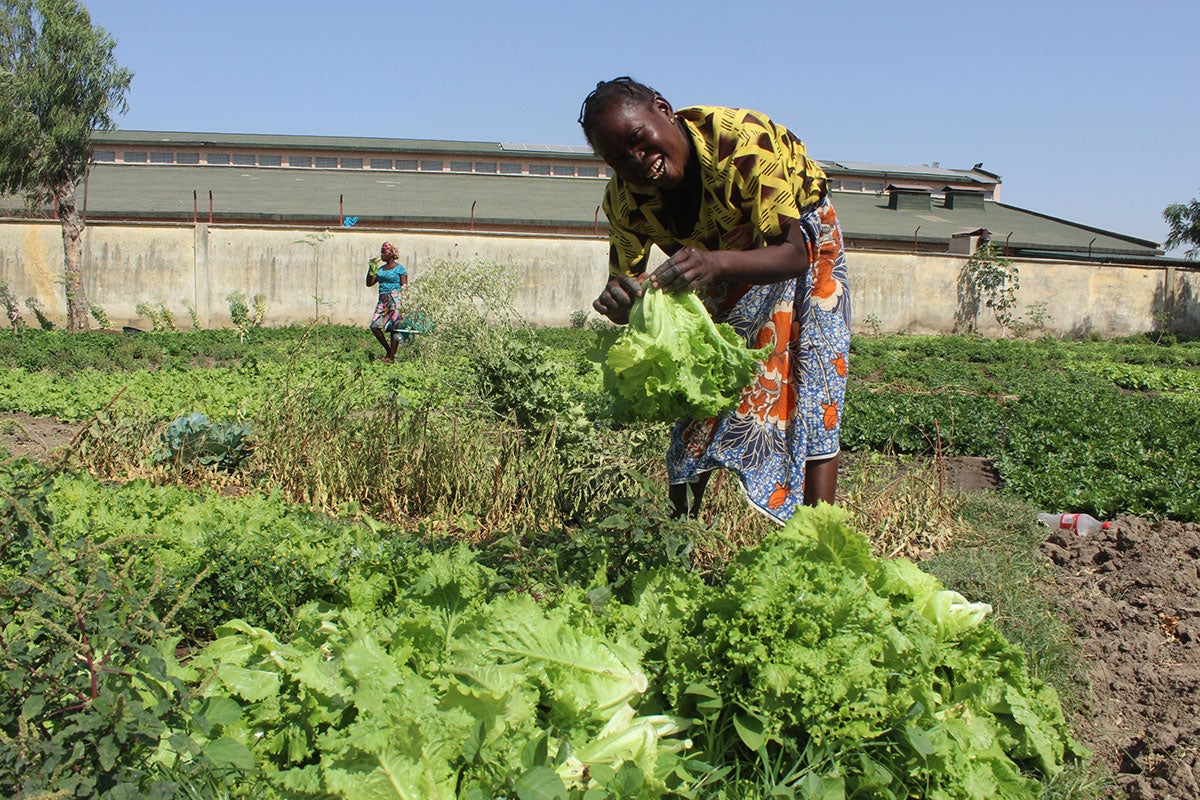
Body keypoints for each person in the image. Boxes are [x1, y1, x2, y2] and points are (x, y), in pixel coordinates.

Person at [580, 77, 851, 523]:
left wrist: (717, 265)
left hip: (798, 245)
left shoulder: (740, 139)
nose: (637, 161)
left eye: (638, 140)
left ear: (663, 110)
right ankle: (675, 538)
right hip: (716, 262)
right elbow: (627, 285)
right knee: (706, 388)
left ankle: (819, 541)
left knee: (814, 378)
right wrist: (621, 303)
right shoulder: (626, 201)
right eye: (618, 159)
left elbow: (794, 254)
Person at [366, 241, 408, 362]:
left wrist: (404, 302)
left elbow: (404, 286)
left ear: (391, 254)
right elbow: (369, 283)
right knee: (374, 326)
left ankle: (391, 357)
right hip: (383, 300)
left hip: (395, 299)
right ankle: (389, 351)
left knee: (394, 328)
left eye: (384, 252)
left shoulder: (400, 269)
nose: (381, 255)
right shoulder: (380, 269)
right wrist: (371, 268)